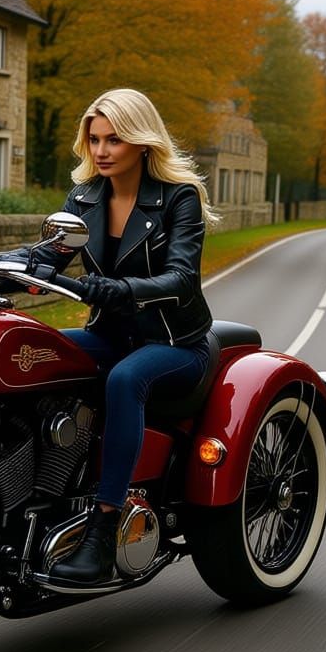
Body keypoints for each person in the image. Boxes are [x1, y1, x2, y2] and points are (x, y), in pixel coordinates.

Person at [43, 88, 218, 583]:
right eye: (94, 139)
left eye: (114, 139)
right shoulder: (83, 198)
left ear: (141, 142)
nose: (101, 150)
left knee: (125, 380)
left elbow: (183, 277)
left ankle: (102, 528)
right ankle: (45, 491)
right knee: (37, 354)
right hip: (111, 334)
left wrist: (124, 289)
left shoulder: (177, 198)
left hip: (176, 344)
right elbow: (43, 258)